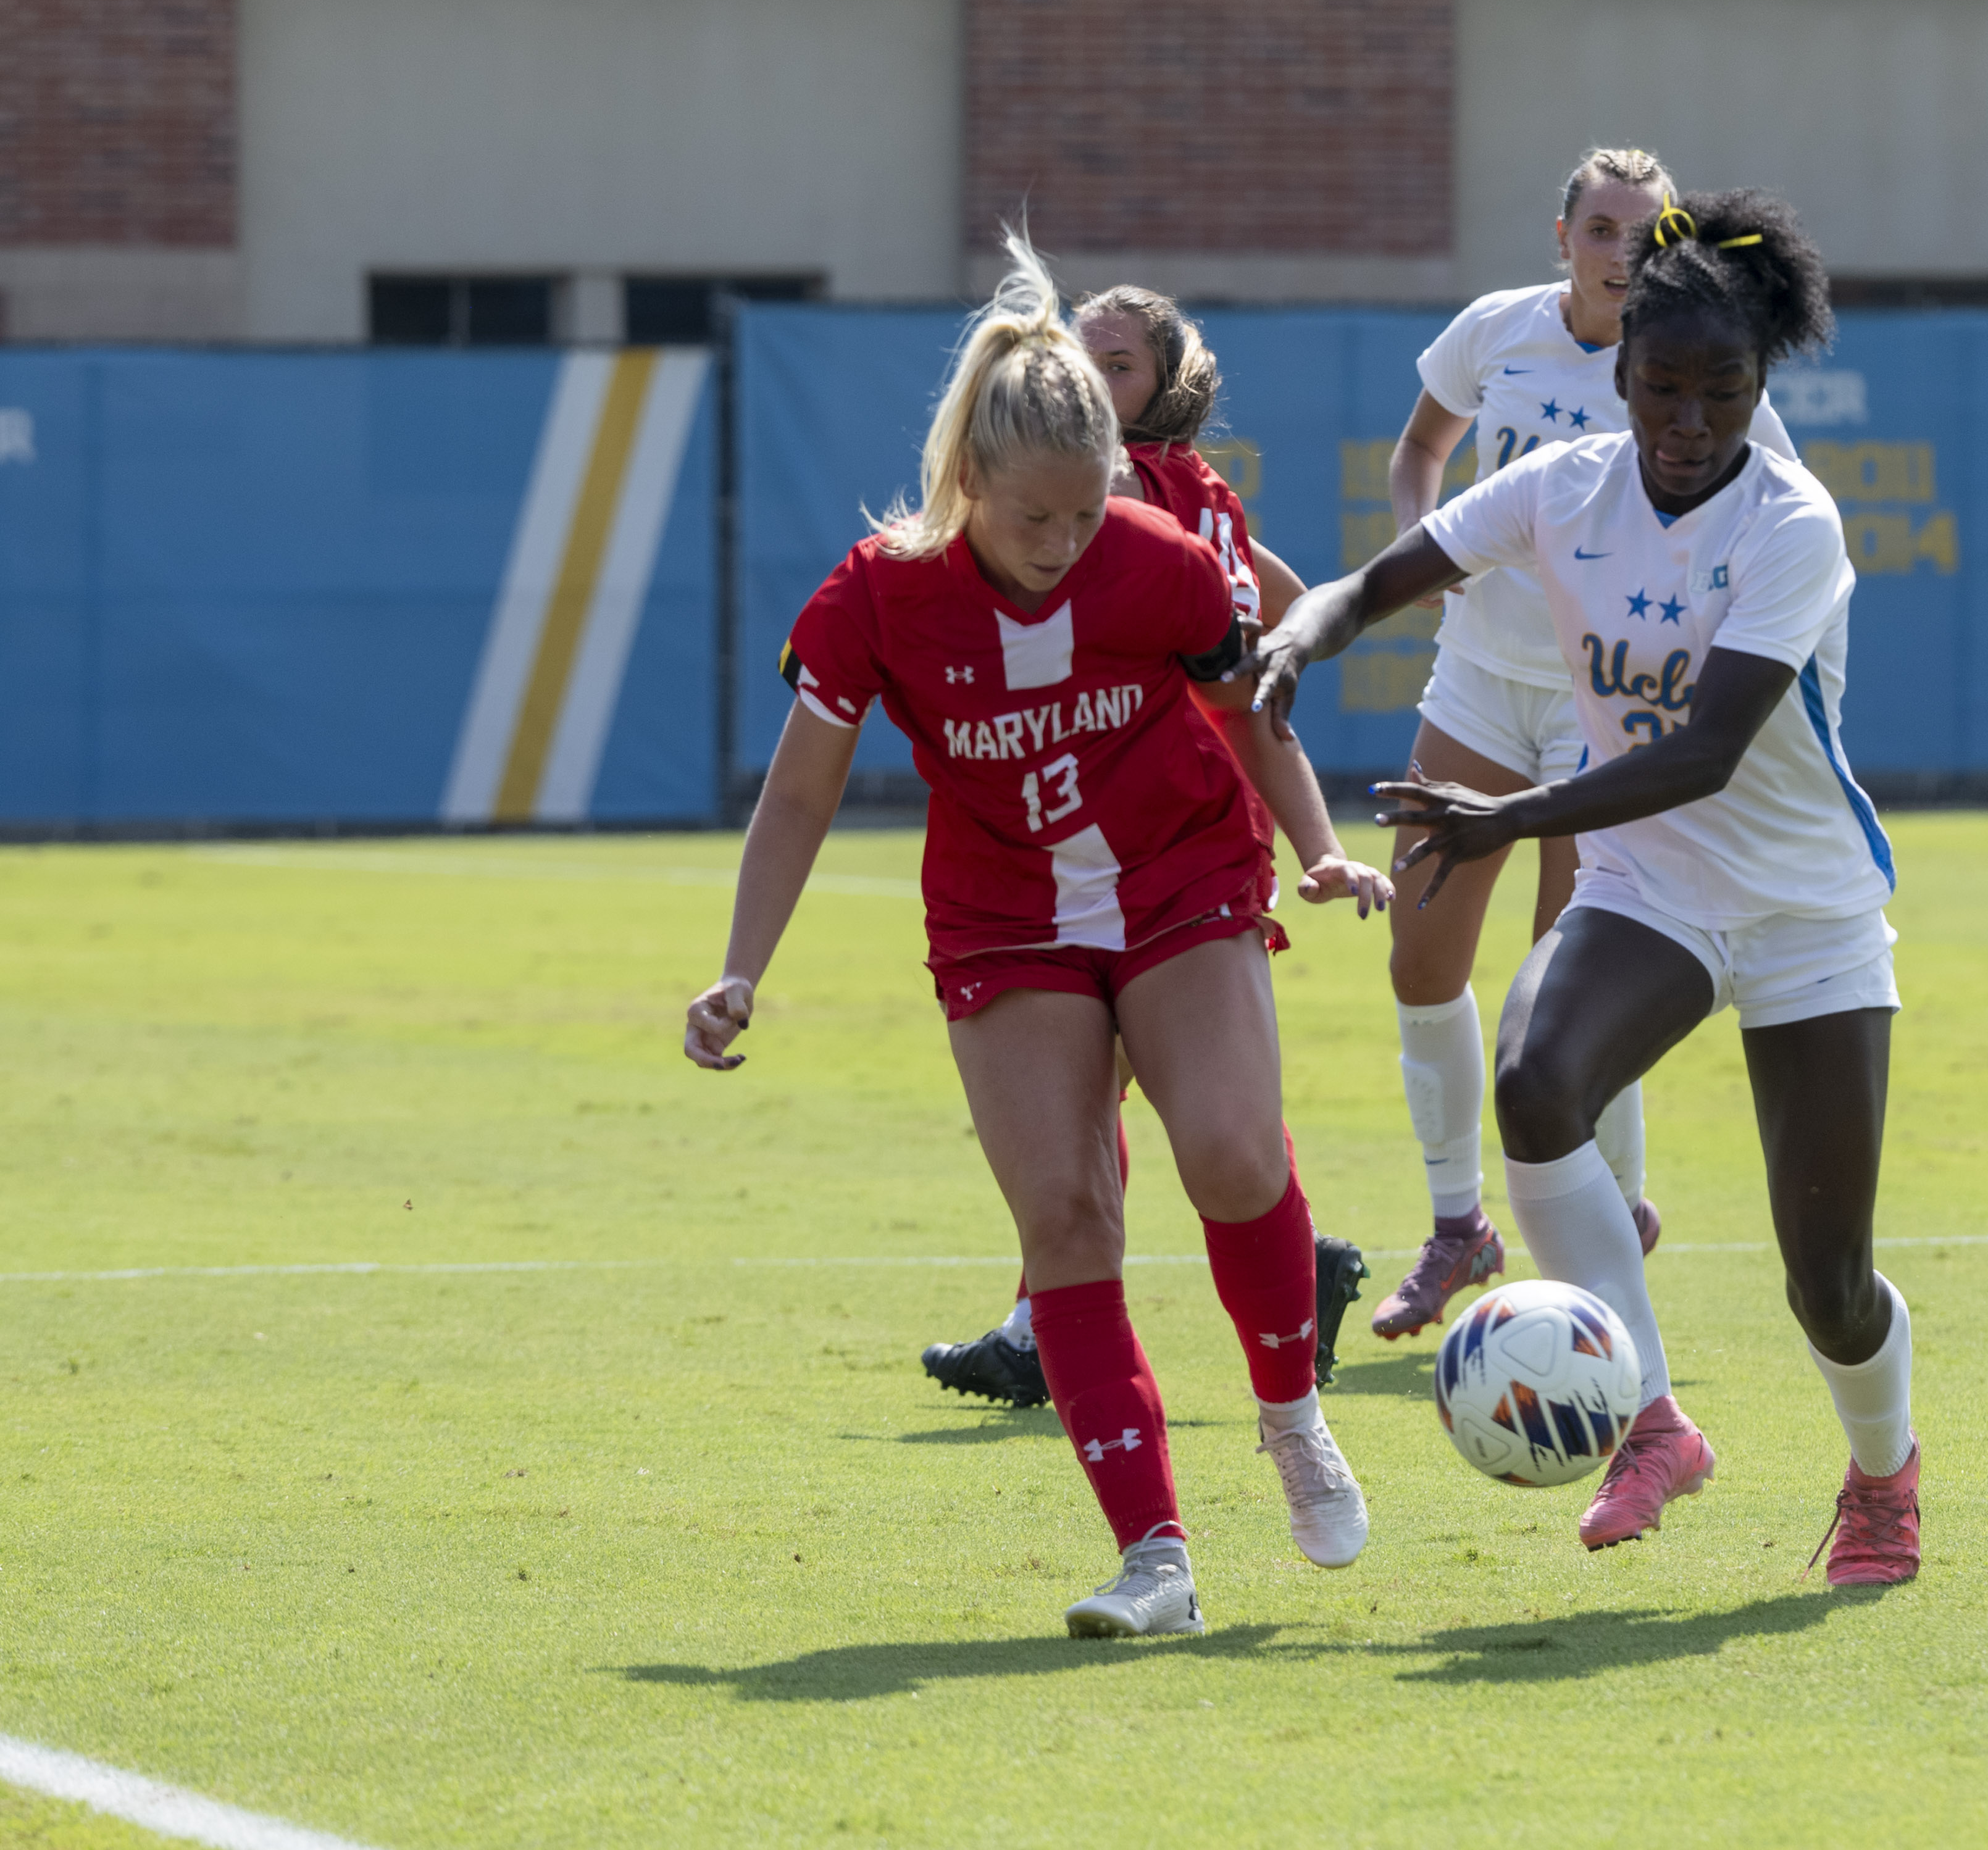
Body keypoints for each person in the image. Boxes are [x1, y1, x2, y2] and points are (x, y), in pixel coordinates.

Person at [687, 232, 1369, 1639]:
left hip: (1180, 873)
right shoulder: (876, 594)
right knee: (1063, 1216)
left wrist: (1317, 848)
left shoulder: (1160, 560)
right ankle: (1155, 1559)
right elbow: (800, 792)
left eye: (1084, 513)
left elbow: (1248, 712)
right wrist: (741, 969)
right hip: (1007, 915)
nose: (1062, 546)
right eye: (1032, 519)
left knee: (1233, 1155)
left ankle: (1291, 1415)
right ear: (967, 481)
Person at [1251, 190, 1920, 1586]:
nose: (1688, 420)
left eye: (1721, 391)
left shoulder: (1792, 521)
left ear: (1760, 387)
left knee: (1828, 1282)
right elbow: (1377, 580)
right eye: (1662, 385)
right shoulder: (1564, 488)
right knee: (1537, 1079)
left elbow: (1705, 750)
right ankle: (1653, 1423)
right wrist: (1298, 639)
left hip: (1803, 910)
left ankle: (1881, 1476)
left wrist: (1511, 816)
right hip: (1649, 887)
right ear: (1621, 372)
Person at [921, 284, 1387, 1411]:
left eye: (1117, 363)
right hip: (1193, 804)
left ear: (1166, 382)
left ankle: (1056, 1325)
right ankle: (1076, 1314)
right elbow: (1286, 598)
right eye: (1079, 356)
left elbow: (1225, 624)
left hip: (1166, 812)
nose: (1088, 376)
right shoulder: (1198, 488)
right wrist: (1306, 634)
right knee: (1142, 1092)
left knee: (1097, 1093)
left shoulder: (1120, 490)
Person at [1366, 146, 1797, 1342]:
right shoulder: (1495, 330)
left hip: (1600, 702)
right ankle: (1458, 1225)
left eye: (1643, 235)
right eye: (1600, 230)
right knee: (1420, 958)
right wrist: (1424, 545)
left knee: (1572, 976)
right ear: (1562, 238)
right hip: (1477, 680)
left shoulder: (1693, 363)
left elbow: (1777, 514)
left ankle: (1614, 1217)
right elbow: (1418, 449)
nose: (1620, 253)